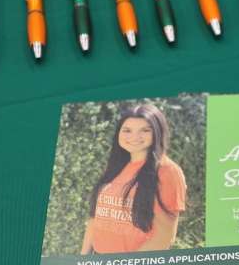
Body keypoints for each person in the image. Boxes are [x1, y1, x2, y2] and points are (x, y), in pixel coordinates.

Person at [80, 103, 187, 253]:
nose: (134, 137)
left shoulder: (167, 172)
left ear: (157, 132)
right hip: (100, 261)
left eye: (145, 130)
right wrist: (82, 260)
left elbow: (164, 237)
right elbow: (96, 217)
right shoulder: (114, 168)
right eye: (127, 130)